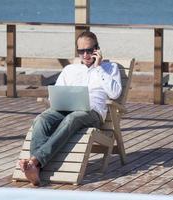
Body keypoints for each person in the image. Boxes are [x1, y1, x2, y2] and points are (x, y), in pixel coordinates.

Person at [19, 31, 122, 186]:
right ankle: (35, 168)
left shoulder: (110, 68)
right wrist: (55, 100)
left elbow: (115, 93)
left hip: (91, 113)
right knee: (41, 119)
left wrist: (99, 67)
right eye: (81, 51)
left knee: (72, 119)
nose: (85, 54)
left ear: (97, 49)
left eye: (89, 50)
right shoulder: (70, 69)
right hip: (65, 108)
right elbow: (57, 94)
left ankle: (35, 162)